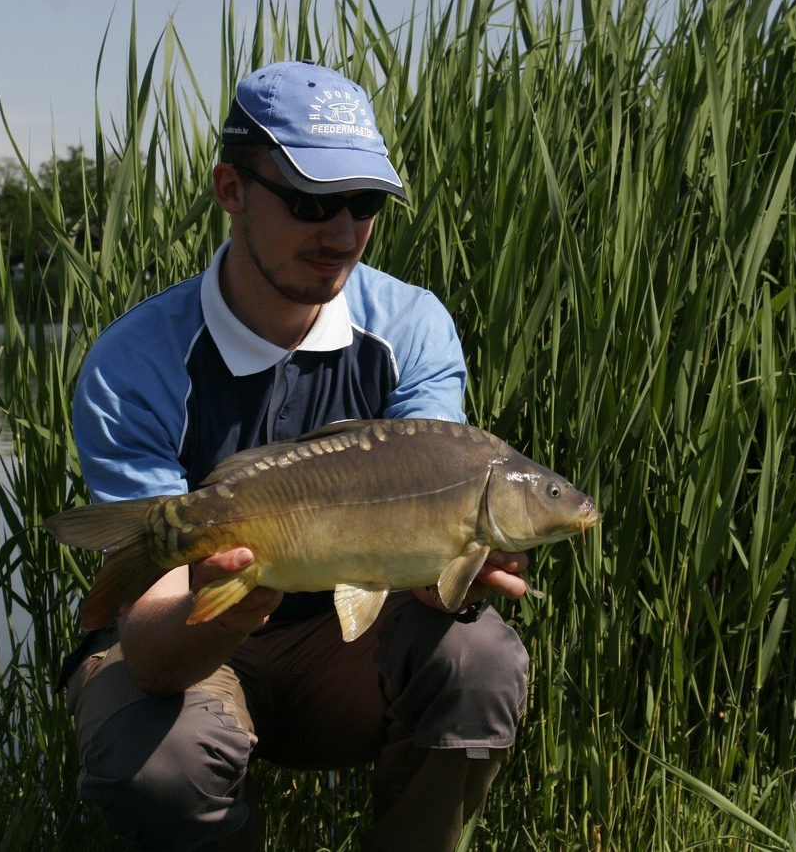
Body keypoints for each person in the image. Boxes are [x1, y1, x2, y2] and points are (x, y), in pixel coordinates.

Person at [60, 60, 533, 851]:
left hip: (348, 644)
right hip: (194, 637)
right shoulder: (134, 361)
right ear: (230, 189)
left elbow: (431, 524)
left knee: (480, 655)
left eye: (365, 203)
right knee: (157, 761)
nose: (342, 233)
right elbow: (146, 646)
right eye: (312, 201)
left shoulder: (411, 328)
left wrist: (454, 563)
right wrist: (232, 597)